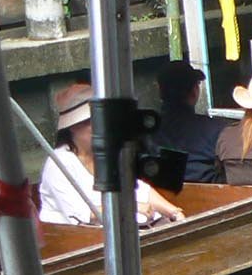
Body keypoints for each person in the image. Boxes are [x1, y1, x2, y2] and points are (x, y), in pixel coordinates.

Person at [39, 84, 183, 228]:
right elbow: (82, 214)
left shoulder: (109, 153)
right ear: (74, 127)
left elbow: (140, 190)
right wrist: (131, 206)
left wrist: (174, 212)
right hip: (78, 239)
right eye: (94, 122)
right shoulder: (59, 163)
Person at [149, 59, 222, 184]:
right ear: (194, 91)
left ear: (160, 91)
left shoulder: (147, 131)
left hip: (161, 199)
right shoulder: (215, 129)